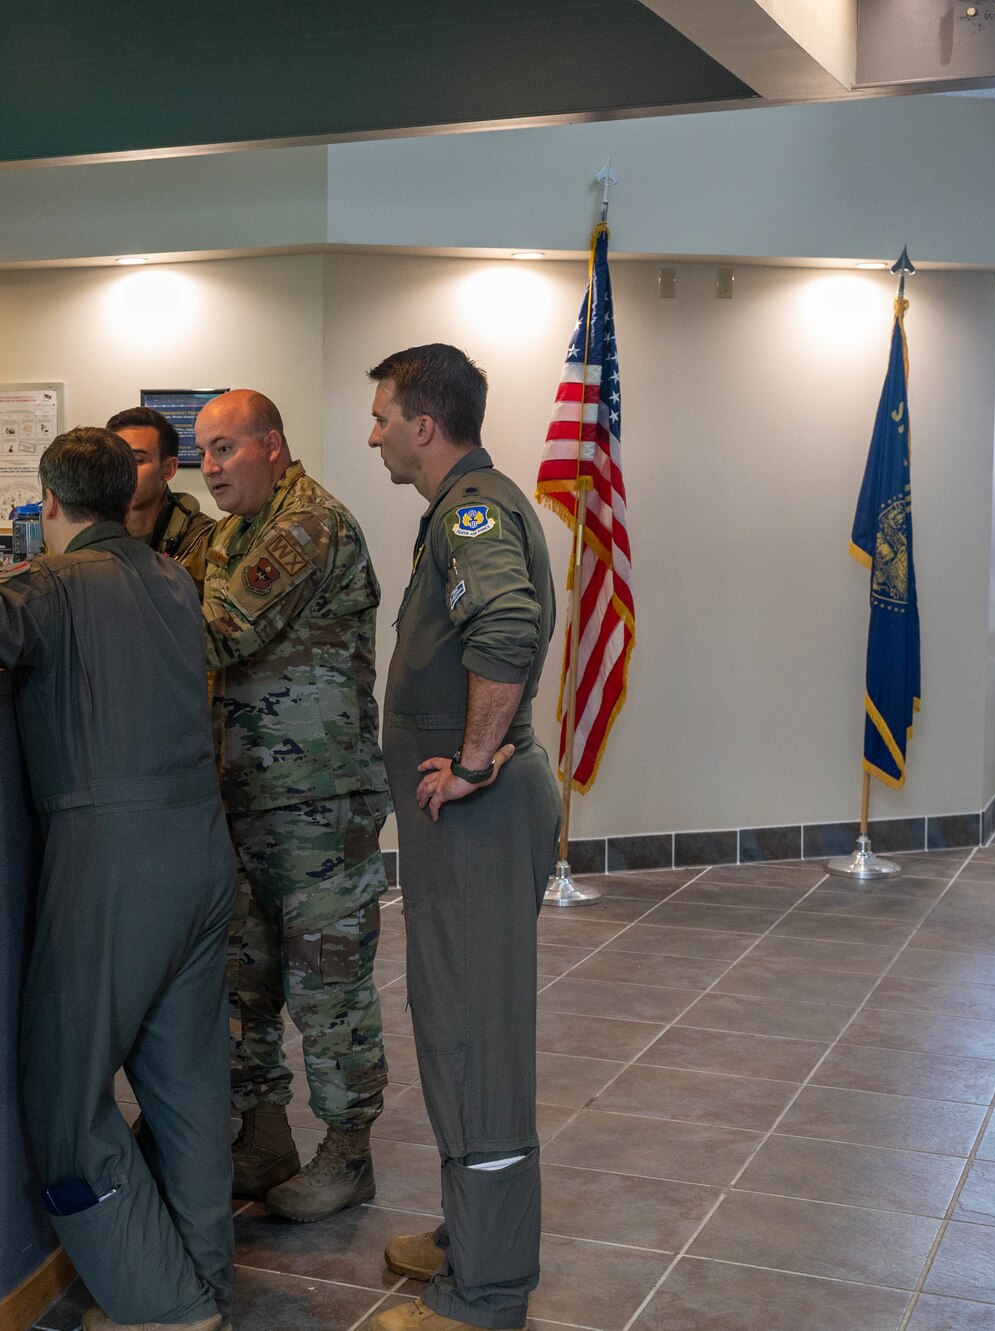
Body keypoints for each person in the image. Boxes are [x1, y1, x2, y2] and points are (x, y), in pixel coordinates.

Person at [0, 428, 237, 1331]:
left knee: (64, 1097)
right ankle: (203, 1278)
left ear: (48, 502)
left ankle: (162, 1304)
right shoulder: (173, 575)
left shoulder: (52, 581)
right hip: (200, 846)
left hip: (111, 856)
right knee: (188, 1086)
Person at [362, 343, 555, 1331]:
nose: (373, 431)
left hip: (475, 816)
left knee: (475, 1039)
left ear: (423, 426)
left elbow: (508, 625)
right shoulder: (457, 510)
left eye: (383, 414)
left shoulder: (473, 511)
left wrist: (474, 758)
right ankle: (468, 1234)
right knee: (451, 1023)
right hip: (459, 828)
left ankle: (484, 1293)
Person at [195, 389, 391, 1223]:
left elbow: (221, 630)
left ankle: (349, 1153)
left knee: (327, 984)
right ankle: (264, 1137)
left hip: (316, 800)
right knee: (246, 981)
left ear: (272, 445)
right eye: (201, 451)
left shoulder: (307, 523)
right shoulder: (234, 530)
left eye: (225, 448)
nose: (209, 466)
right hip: (247, 797)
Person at [107, 405, 215, 588]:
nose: (120, 472)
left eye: (136, 460)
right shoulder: (93, 532)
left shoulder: (204, 539)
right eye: (112, 460)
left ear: (168, 469)